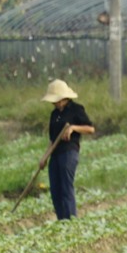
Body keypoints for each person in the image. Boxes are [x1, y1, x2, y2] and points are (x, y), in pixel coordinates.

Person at [41, 79, 96, 220]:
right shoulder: (54, 114)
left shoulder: (76, 109)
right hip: (56, 153)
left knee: (66, 187)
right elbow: (52, 140)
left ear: (63, 98)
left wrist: (72, 128)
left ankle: (71, 221)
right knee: (55, 190)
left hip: (69, 153)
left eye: (56, 100)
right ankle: (61, 221)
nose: (54, 103)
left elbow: (90, 129)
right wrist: (44, 157)